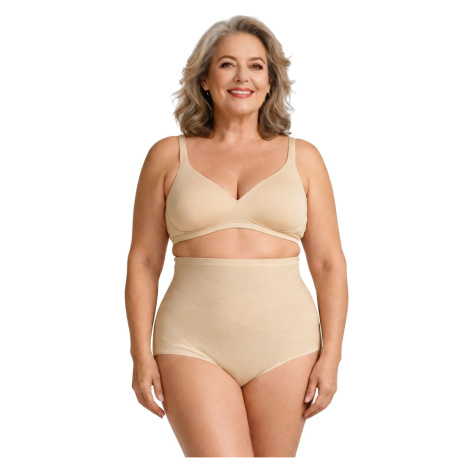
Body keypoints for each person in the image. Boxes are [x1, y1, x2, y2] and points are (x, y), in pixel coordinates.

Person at [125, 15, 348, 458]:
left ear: (270, 82)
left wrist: (332, 356)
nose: (242, 77)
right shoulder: (167, 156)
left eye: (256, 66)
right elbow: (143, 262)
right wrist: (139, 354)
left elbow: (328, 264)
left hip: (287, 343)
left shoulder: (304, 158)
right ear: (205, 80)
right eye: (227, 64)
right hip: (191, 341)